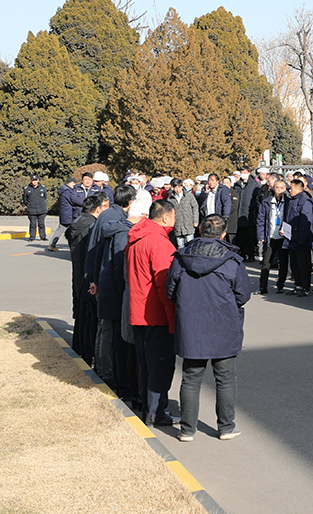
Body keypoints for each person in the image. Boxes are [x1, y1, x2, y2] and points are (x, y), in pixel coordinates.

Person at [167, 215, 249, 442]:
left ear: (201, 231)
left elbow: (170, 290)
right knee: (225, 377)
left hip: (191, 323)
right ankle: (226, 427)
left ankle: (187, 429)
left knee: (191, 378)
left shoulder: (181, 258)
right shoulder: (231, 260)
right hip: (224, 324)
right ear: (223, 234)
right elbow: (243, 294)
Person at [126, 199, 178, 426]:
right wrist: (173, 317)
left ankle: (148, 407)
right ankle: (155, 412)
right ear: (166, 217)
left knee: (145, 365)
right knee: (160, 366)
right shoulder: (160, 243)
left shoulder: (136, 238)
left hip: (138, 311)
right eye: (174, 217)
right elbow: (165, 284)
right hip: (156, 314)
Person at [86, 185, 136, 402]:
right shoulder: (115, 222)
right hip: (108, 285)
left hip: (101, 280)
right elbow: (108, 257)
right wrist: (95, 279)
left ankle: (103, 369)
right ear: (131, 202)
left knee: (104, 329)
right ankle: (107, 374)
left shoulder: (109, 215)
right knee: (108, 332)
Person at [67, 192, 108, 364]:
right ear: (98, 209)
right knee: (89, 318)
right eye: (105, 206)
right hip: (86, 275)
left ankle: (79, 348)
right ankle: (87, 352)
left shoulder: (77, 222)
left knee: (81, 315)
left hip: (77, 274)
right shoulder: (91, 226)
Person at [257, 179, 290, 294]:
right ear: (273, 189)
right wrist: (261, 235)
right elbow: (260, 220)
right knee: (266, 262)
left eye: (281, 188)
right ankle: (263, 286)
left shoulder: (289, 202)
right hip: (269, 236)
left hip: (283, 237)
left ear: (285, 189)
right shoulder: (267, 202)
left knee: (283, 263)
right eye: (277, 188)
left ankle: (280, 285)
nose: (279, 190)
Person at [283, 179, 313, 296]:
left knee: (303, 265)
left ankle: (306, 287)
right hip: (291, 238)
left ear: (298, 189)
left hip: (301, 240)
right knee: (294, 265)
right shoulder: (291, 200)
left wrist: (301, 239)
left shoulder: (305, 201)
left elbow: (305, 222)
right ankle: (298, 285)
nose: (289, 190)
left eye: (291, 188)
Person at [50, 173, 94, 252]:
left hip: (68, 213)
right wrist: (85, 203)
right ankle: (53, 244)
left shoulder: (67, 190)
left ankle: (53, 244)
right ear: (68, 183)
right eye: (73, 183)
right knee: (67, 230)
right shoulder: (67, 192)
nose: (74, 184)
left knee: (64, 229)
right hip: (68, 213)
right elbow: (73, 200)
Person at [169, 178, 199, 248]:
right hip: (177, 225)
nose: (178, 189)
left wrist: (195, 221)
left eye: (179, 187)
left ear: (182, 187)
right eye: (175, 187)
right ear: (172, 188)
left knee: (190, 244)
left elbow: (195, 208)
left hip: (188, 224)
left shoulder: (189, 196)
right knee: (180, 245)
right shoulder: (170, 198)